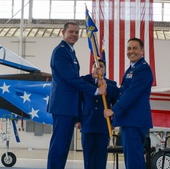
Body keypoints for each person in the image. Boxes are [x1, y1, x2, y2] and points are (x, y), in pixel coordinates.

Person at [47, 21, 107, 169]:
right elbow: (70, 79)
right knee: (59, 146)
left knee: (64, 147)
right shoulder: (60, 51)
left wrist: (91, 76)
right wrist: (95, 90)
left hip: (69, 107)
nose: (74, 35)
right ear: (63, 32)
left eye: (76, 32)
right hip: (62, 106)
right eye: (71, 32)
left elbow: (74, 78)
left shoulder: (70, 52)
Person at [104, 37, 153, 169]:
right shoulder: (132, 68)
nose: (131, 51)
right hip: (129, 120)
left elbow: (132, 93)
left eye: (135, 48)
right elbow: (123, 91)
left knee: (134, 160)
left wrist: (114, 110)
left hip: (135, 120)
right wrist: (106, 87)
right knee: (131, 159)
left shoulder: (143, 69)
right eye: (129, 48)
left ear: (142, 50)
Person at [77, 59, 119, 169]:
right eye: (95, 66)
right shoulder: (84, 82)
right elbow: (77, 101)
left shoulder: (111, 85)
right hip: (87, 124)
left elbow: (116, 104)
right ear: (92, 69)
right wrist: (77, 120)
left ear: (105, 70)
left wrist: (114, 121)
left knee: (101, 157)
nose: (98, 68)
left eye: (101, 66)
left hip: (103, 125)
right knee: (88, 157)